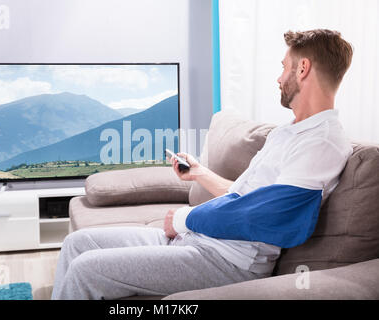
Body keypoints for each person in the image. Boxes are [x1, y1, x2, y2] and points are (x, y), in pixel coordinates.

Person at [51, 29, 354, 300]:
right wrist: (199, 173)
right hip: (199, 241)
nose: (279, 78)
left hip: (229, 261)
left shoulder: (322, 141)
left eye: (284, 67)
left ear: (303, 69)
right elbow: (245, 198)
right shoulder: (289, 132)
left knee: (86, 270)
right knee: (78, 243)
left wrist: (186, 218)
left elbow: (275, 217)